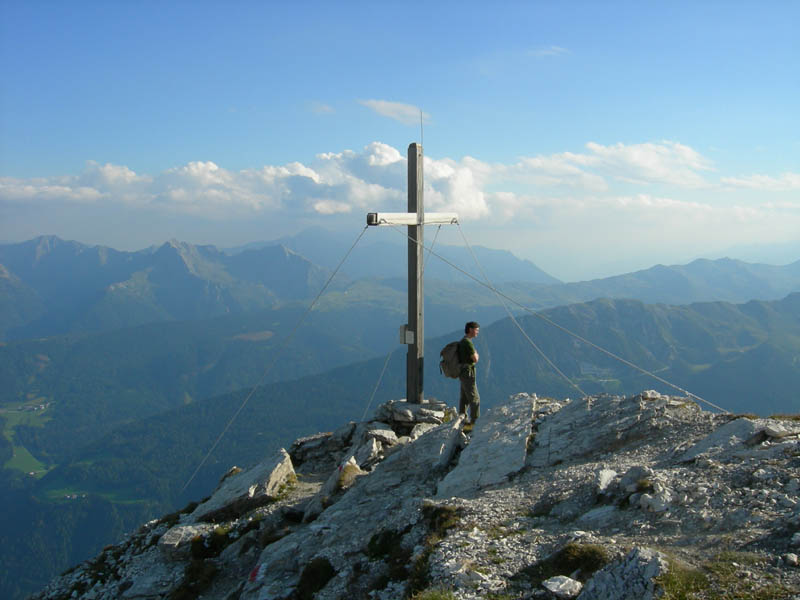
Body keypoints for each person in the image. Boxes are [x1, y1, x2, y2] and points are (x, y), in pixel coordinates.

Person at [458, 321, 480, 424]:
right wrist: (476, 354)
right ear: (470, 329)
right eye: (476, 330)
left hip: (462, 372)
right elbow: (475, 359)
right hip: (468, 373)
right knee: (474, 398)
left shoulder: (463, 341)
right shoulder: (468, 342)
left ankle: (462, 419)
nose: (477, 332)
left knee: (464, 398)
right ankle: (475, 421)